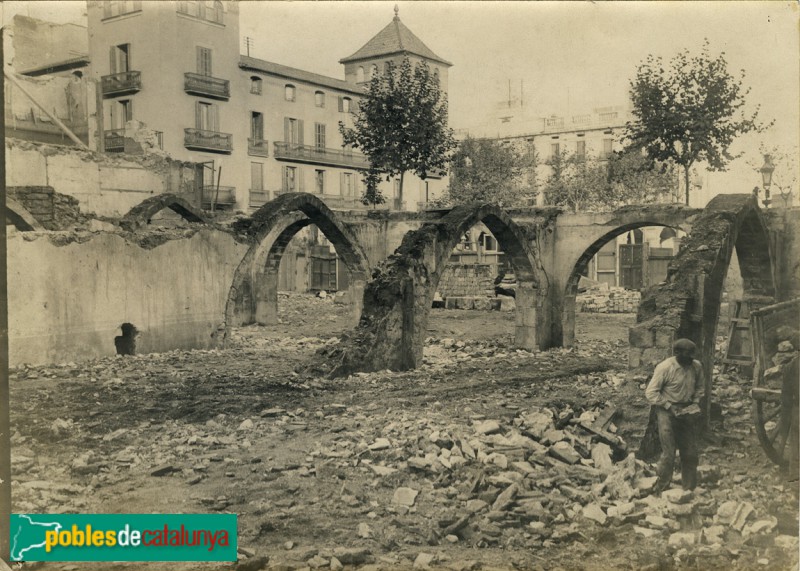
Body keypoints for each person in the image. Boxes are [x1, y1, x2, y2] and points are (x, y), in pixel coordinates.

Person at [645, 338, 705, 493]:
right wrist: (668, 406)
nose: (691, 357)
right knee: (669, 453)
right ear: (677, 353)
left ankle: (689, 488)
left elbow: (700, 387)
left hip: (687, 411)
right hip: (667, 411)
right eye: (688, 354)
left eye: (693, 354)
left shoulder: (696, 366)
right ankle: (662, 487)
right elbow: (651, 393)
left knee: (690, 451)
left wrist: (696, 402)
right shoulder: (665, 367)